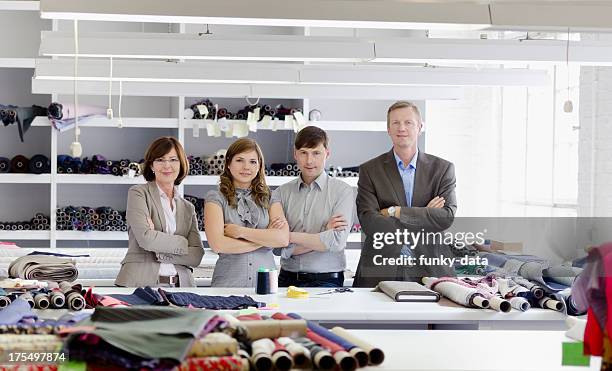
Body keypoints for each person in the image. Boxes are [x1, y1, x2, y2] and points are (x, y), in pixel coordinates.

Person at [353, 101, 457, 287]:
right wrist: (424, 214)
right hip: (380, 266)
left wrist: (395, 211)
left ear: (420, 127)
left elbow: (445, 217)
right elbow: (370, 222)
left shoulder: (442, 169)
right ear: (388, 129)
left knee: (429, 316)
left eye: (408, 122)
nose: (402, 128)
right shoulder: (370, 170)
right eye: (396, 123)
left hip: (430, 265)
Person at [116, 136, 204, 287]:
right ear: (151, 166)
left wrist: (158, 247)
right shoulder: (139, 193)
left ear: (181, 164)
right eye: (160, 160)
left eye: (173, 160)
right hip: (141, 285)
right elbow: (146, 239)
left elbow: (196, 255)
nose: (167, 165)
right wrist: (183, 243)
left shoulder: (188, 207)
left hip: (182, 287)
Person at [271, 126, 354, 287]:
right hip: (286, 279)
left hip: (327, 280)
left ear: (326, 154)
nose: (309, 161)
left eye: (316, 153)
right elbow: (276, 246)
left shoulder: (342, 191)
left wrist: (288, 236)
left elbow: (336, 242)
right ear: (295, 154)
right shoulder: (280, 193)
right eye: (304, 153)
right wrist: (323, 235)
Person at [205, 138, 289, 287]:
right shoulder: (216, 197)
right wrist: (265, 240)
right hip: (227, 284)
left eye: (252, 162)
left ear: (259, 166)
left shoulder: (271, 197)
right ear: (228, 163)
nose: (246, 167)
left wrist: (240, 231)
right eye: (239, 160)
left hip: (266, 285)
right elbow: (218, 244)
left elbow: (282, 239)